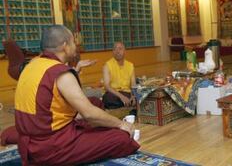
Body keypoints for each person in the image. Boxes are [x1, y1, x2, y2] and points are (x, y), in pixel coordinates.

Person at [14, 25, 139, 165]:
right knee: (121, 138)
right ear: (65, 46)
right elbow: (89, 114)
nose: (76, 46)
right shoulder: (60, 72)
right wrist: (121, 124)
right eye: (73, 42)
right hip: (53, 147)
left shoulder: (31, 65)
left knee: (96, 111)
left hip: (29, 141)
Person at [102, 42, 137, 109]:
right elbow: (107, 87)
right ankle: (127, 105)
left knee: (138, 98)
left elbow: (133, 84)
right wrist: (122, 97)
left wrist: (133, 96)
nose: (117, 51)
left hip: (126, 93)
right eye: (115, 49)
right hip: (113, 94)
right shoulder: (107, 65)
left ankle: (126, 104)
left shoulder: (130, 65)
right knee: (108, 99)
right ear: (113, 51)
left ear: (125, 51)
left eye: (120, 49)